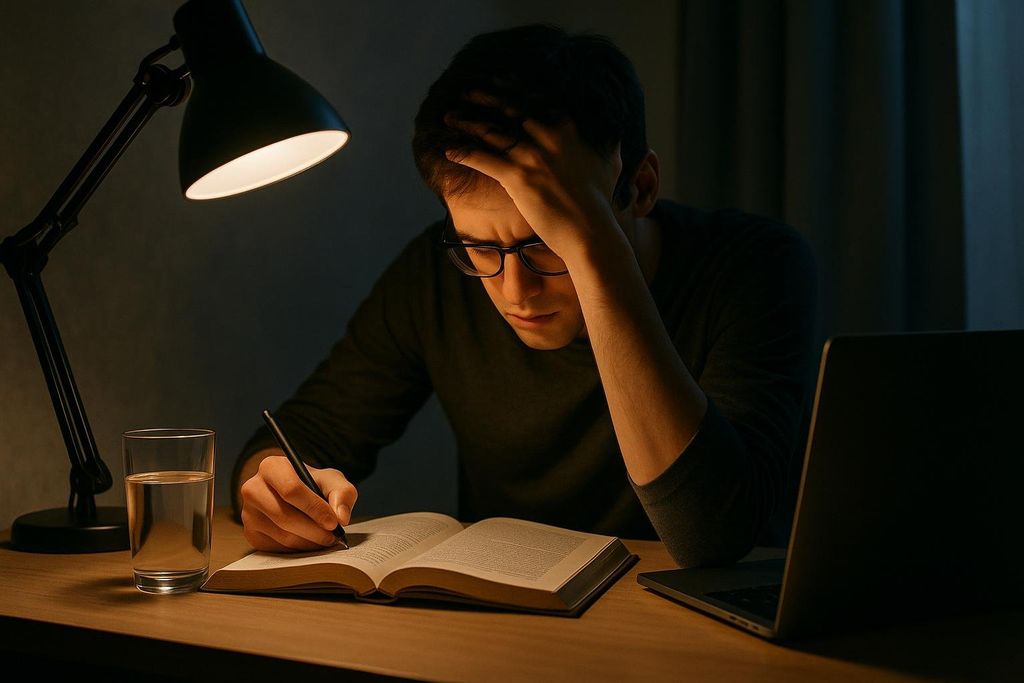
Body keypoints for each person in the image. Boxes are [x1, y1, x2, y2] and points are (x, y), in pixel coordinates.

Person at [232, 23, 818, 568]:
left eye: (547, 243)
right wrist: (272, 484)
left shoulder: (753, 266)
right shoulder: (437, 277)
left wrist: (597, 255)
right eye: (480, 247)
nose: (515, 290)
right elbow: (305, 431)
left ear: (638, 189)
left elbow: (712, 534)